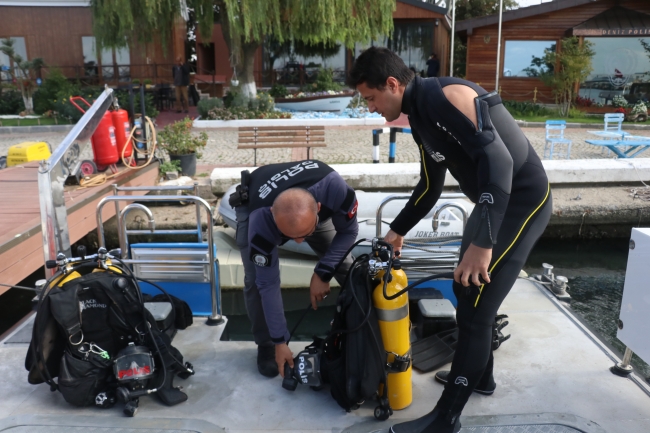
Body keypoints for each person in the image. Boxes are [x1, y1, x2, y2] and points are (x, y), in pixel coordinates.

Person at [347, 47, 551, 433]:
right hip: (493, 207)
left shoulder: (450, 96)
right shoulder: (420, 118)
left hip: (523, 203)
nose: (370, 108)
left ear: (392, 84)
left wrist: (482, 243)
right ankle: (481, 378)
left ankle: (445, 420)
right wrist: (397, 231)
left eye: (371, 98)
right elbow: (430, 185)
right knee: (465, 294)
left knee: (475, 313)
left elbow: (502, 163)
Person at [231, 160, 359, 378]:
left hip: (308, 209)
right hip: (257, 202)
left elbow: (348, 232)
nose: (299, 243)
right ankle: (266, 344)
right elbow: (267, 284)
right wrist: (280, 341)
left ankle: (361, 326)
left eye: (305, 234)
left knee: (347, 267)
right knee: (254, 282)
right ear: (273, 215)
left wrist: (323, 271)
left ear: (318, 208)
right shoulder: (262, 220)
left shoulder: (337, 191)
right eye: (292, 237)